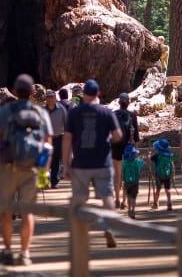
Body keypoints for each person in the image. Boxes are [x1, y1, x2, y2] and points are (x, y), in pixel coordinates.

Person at [0, 74, 53, 266]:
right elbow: (48, 144)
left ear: (15, 91)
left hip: (8, 167)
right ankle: (25, 253)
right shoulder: (41, 113)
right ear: (33, 92)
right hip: (32, 169)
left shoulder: (4, 112)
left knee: (6, 211)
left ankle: (8, 250)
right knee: (28, 212)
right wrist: (44, 171)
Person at [64, 78, 122, 249]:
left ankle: (78, 232)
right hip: (102, 162)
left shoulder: (74, 113)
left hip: (81, 163)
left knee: (80, 196)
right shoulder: (106, 112)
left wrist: (66, 163)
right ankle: (109, 227)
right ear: (98, 94)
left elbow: (67, 139)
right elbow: (118, 135)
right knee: (107, 196)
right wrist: (109, 138)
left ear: (84, 95)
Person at [112, 92, 139, 209]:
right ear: (128, 102)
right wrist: (136, 149)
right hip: (129, 148)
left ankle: (117, 198)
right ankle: (124, 200)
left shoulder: (113, 114)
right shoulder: (132, 116)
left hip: (115, 147)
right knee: (127, 174)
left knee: (117, 174)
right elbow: (136, 136)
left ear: (119, 102)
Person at [45, 90, 68, 188]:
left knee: (55, 161)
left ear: (55, 99)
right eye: (48, 97)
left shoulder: (61, 109)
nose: (50, 99)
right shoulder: (42, 110)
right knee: (45, 160)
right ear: (46, 99)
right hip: (45, 139)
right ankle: (44, 182)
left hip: (58, 138)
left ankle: (54, 181)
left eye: (52, 97)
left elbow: (66, 123)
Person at [150, 138, 175, 211]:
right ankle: (169, 202)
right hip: (167, 175)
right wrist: (173, 174)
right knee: (167, 189)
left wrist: (149, 155)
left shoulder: (157, 155)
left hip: (158, 175)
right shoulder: (169, 155)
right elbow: (172, 163)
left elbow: (151, 159)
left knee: (158, 189)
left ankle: (156, 203)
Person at [120, 144, 144, 219]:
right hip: (135, 183)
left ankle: (129, 210)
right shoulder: (137, 162)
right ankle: (133, 211)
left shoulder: (124, 163)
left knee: (128, 197)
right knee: (133, 198)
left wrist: (120, 183)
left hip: (126, 182)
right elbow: (142, 163)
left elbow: (121, 174)